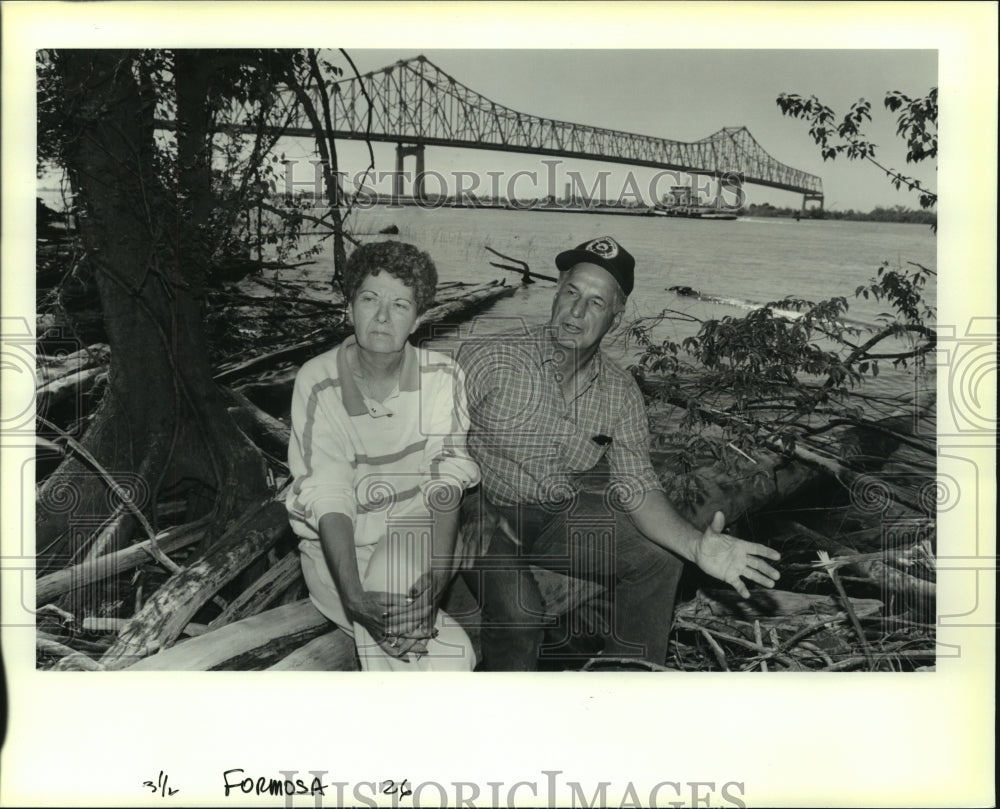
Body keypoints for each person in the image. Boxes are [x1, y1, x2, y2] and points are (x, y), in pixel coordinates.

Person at [458, 236, 782, 671]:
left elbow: (637, 488)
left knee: (659, 560)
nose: (576, 312)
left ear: (617, 314)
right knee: (521, 616)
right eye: (572, 292)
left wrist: (695, 547)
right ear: (556, 290)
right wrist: (469, 502)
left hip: (552, 517)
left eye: (596, 302)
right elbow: (430, 446)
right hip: (483, 512)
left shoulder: (620, 391)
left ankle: (624, 687)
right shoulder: (488, 357)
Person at [286, 241, 479, 671]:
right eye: (370, 299)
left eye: (401, 304)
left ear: (419, 319)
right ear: (348, 307)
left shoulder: (442, 376)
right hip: (334, 550)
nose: (383, 316)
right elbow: (330, 494)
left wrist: (440, 573)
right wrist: (354, 597)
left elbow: (445, 479)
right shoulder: (318, 381)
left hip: (409, 532)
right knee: (449, 655)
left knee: (416, 643)